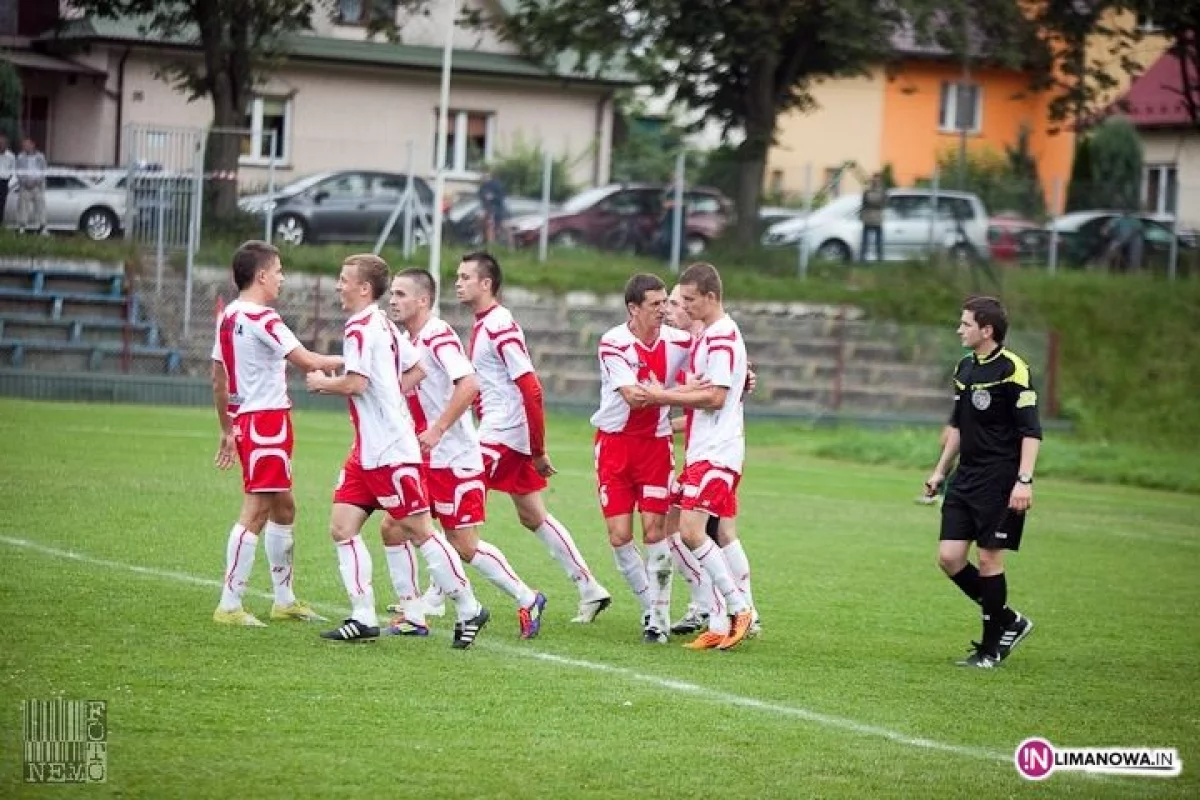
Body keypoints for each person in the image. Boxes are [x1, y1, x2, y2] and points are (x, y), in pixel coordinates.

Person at [305, 254, 489, 647]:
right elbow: (417, 367)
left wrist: (323, 382)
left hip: (390, 451)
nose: (339, 286)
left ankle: (470, 606)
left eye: (343, 279)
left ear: (363, 288)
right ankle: (362, 615)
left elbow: (355, 384)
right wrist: (389, 392)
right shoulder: (384, 325)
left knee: (420, 530)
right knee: (342, 527)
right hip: (367, 451)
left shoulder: (361, 327)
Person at [386, 267, 547, 639]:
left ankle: (527, 597)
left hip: (456, 460)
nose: (393, 301)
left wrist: (438, 428)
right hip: (426, 459)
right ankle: (414, 614)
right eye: (391, 294)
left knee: (464, 544)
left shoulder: (438, 335)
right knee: (394, 527)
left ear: (423, 300)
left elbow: (470, 383)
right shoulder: (406, 340)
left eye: (401, 294)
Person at [455, 251, 613, 622]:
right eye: (457, 277)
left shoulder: (499, 324)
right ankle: (589, 588)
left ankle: (435, 598)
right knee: (532, 515)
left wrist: (538, 449)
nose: (458, 283)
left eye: (465, 277)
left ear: (486, 283)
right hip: (505, 432)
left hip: (504, 435)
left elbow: (531, 387)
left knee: (454, 503)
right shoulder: (484, 324)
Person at [210, 240, 342, 627]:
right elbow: (307, 361)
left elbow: (218, 378)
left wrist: (227, 428)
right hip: (266, 422)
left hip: (253, 421)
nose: (282, 278)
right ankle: (229, 604)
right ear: (262, 275)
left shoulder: (229, 316)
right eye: (279, 270)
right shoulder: (264, 319)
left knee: (284, 507)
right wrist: (360, 359)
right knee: (256, 510)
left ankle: (283, 600)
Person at [639, 262, 754, 651]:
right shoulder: (708, 337)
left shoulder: (721, 336)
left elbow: (716, 396)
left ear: (710, 297)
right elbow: (714, 394)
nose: (682, 307)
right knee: (693, 529)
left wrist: (661, 397)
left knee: (691, 530)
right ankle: (721, 618)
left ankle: (738, 609)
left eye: (688, 300)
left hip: (718, 452)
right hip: (704, 449)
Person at [924, 295, 1041, 668]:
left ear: (986, 330)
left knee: (989, 560)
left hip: (1001, 478)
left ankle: (990, 650)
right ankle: (1009, 620)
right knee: (949, 557)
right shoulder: (965, 368)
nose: (960, 329)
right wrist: (941, 470)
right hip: (966, 476)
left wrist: (1024, 480)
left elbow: (1031, 432)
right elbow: (959, 425)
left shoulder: (1013, 369)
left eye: (966, 324)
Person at [591, 273, 694, 643]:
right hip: (615, 447)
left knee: (654, 532)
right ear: (633, 309)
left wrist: (741, 374)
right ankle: (649, 605)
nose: (664, 310)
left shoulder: (679, 341)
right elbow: (633, 397)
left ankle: (658, 617)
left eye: (667, 302)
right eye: (655, 304)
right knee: (619, 536)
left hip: (654, 447)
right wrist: (673, 393)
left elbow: (713, 354)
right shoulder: (613, 343)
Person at [15, 136, 47, 235]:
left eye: (27, 145)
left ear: (33, 145)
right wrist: (25, 182)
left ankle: (42, 227)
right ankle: (22, 227)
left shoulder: (40, 157)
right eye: (24, 145)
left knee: (40, 206)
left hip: (38, 185)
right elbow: (18, 172)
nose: (25, 147)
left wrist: (37, 181)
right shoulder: (20, 157)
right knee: (23, 207)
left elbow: (44, 171)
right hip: (25, 186)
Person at [858, 172, 886, 263]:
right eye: (875, 179)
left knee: (874, 241)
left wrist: (862, 214)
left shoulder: (869, 191)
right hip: (872, 218)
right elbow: (883, 203)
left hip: (873, 218)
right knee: (869, 241)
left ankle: (877, 258)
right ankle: (872, 258)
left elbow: (864, 204)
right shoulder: (881, 192)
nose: (876, 181)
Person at [477, 171, 508, 245]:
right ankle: (484, 241)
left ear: (489, 176)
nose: (483, 178)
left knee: (493, 226)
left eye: (485, 176)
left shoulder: (496, 185)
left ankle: (493, 244)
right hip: (487, 210)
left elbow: (502, 197)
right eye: (482, 176)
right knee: (480, 221)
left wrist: (493, 197)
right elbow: (481, 198)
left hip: (497, 210)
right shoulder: (482, 187)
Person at [0, 135, 14, 227]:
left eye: (3, 144)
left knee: (1, 203)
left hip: (4, 182)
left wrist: (9, 182)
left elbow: (13, 170)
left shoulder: (11, 156)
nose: (1, 145)